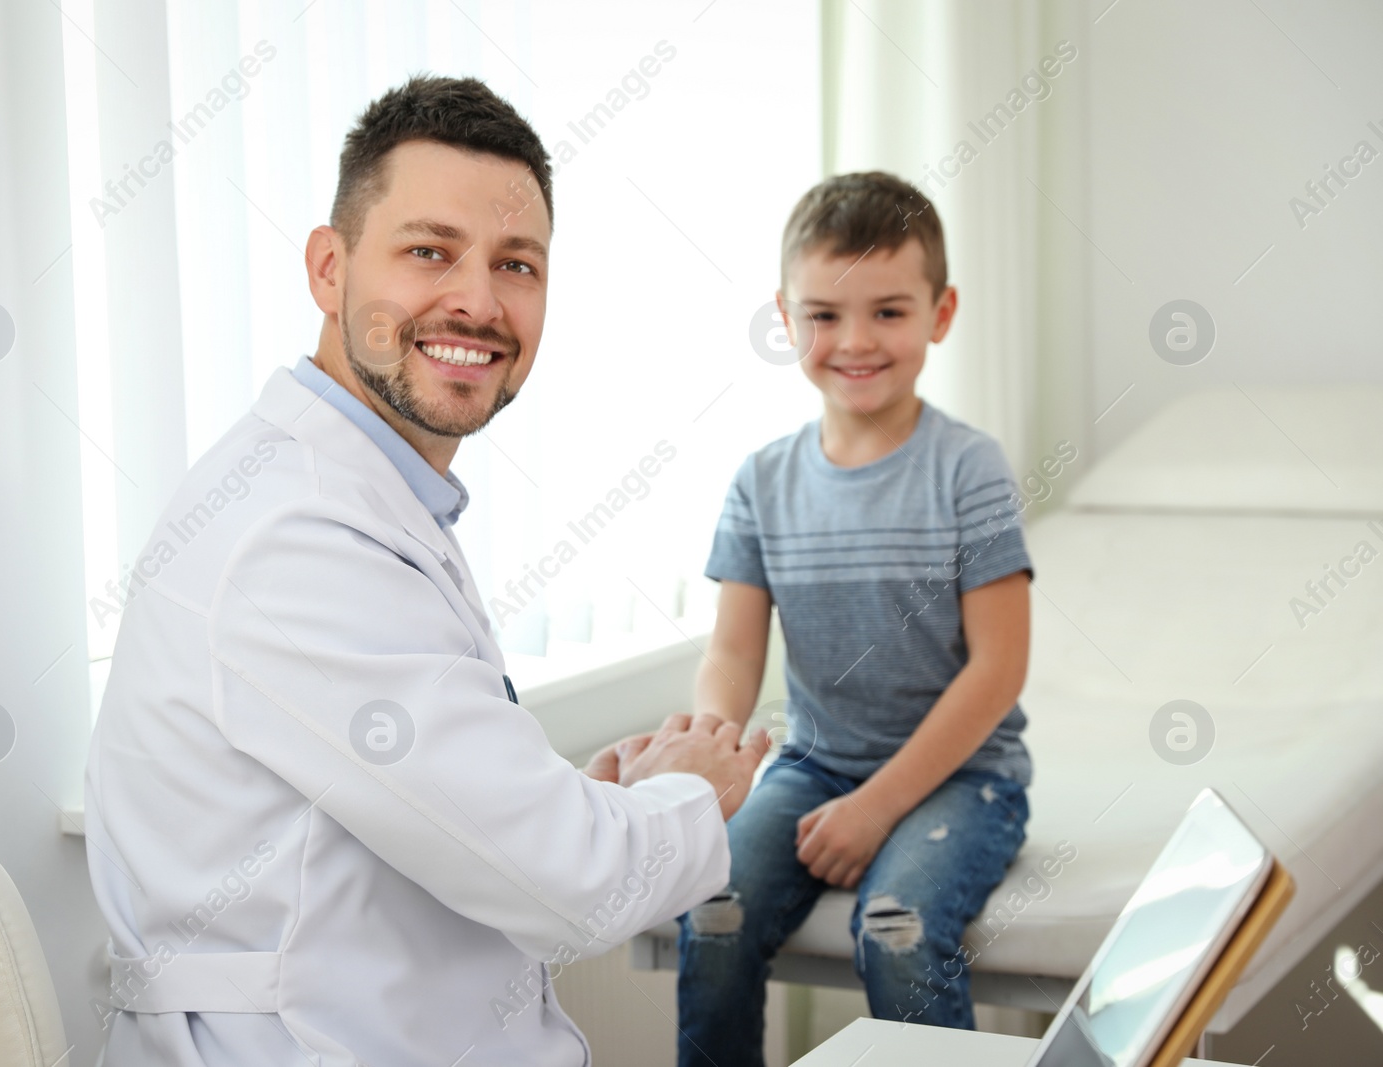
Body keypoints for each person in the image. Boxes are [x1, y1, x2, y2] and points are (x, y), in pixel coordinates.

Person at [83, 75, 768, 1067]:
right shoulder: (297, 537)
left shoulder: (351, 488)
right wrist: (693, 791)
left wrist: (590, 801)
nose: (478, 302)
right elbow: (569, 886)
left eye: (516, 265)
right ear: (329, 266)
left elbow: (411, 813)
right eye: (427, 252)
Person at [675, 171, 1035, 1064]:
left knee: (897, 925)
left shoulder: (970, 471)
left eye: (889, 311)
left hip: (966, 779)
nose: (856, 341)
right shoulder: (761, 480)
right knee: (711, 911)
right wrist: (711, 747)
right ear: (786, 317)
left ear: (940, 313)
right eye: (825, 315)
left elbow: (998, 669)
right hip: (813, 765)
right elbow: (732, 651)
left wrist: (876, 808)